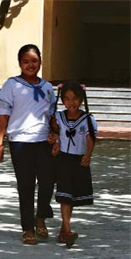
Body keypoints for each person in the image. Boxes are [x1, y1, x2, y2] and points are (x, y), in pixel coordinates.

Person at [0, 44, 56, 245]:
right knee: (26, 186)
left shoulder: (47, 87)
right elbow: (4, 116)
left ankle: (41, 218)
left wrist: (57, 134)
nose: (30, 65)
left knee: (47, 183)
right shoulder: (12, 85)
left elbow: (52, 117)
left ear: (40, 62)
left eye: (34, 61)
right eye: (26, 61)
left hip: (43, 142)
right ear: (20, 63)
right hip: (20, 142)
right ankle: (28, 228)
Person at [48, 82, 97, 248]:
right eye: (67, 99)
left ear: (82, 99)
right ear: (62, 100)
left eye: (75, 99)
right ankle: (67, 231)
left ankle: (64, 229)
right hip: (63, 160)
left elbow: (91, 139)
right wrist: (53, 140)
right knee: (65, 195)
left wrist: (88, 155)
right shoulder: (59, 117)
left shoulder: (88, 119)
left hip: (79, 161)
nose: (71, 103)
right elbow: (54, 134)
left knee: (72, 196)